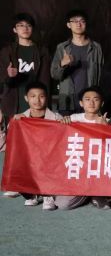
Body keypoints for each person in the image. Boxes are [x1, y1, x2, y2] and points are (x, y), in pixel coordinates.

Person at [59, 86, 111, 210]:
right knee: (63, 204)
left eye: (96, 99)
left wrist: (106, 129)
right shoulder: (73, 119)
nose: (91, 103)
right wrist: (63, 124)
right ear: (81, 103)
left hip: (99, 170)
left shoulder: (107, 121)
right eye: (87, 99)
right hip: (78, 169)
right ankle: (89, 193)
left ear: (102, 103)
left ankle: (97, 193)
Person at [11, 81, 61, 210]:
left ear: (47, 98)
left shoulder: (56, 118)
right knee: (16, 165)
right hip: (29, 160)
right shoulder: (20, 119)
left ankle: (48, 194)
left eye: (41, 96)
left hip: (49, 159)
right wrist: (14, 123)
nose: (37, 100)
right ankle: (31, 194)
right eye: (33, 96)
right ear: (26, 98)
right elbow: (12, 144)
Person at [50, 10, 103, 115]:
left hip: (90, 101)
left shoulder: (96, 48)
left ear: (86, 24)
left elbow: (101, 76)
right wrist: (62, 64)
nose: (78, 24)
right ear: (68, 25)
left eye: (82, 21)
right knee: (66, 125)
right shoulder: (62, 47)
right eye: (74, 21)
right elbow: (54, 75)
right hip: (66, 99)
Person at [0, 13, 51, 119]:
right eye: (21, 25)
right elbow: (2, 80)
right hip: (12, 102)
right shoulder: (7, 51)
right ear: (15, 29)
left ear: (32, 29)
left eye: (28, 25)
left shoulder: (42, 51)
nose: (25, 28)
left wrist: (46, 106)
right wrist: (9, 76)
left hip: (36, 103)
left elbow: (45, 81)